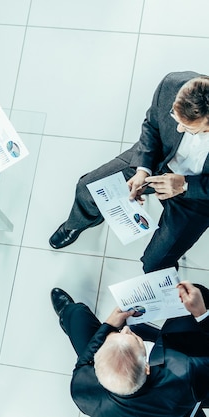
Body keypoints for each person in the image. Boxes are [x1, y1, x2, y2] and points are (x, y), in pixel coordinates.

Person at [49, 72, 209, 273]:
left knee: (155, 265)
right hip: (158, 161)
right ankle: (79, 222)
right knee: (88, 188)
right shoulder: (172, 85)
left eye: (187, 128)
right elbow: (152, 126)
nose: (178, 129)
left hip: (197, 194)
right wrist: (143, 169)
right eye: (175, 119)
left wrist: (184, 185)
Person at [51, 284, 209, 417]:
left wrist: (109, 326)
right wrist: (202, 314)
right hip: (178, 405)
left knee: (78, 316)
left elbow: (83, 362)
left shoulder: (83, 392)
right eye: (133, 338)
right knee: (200, 296)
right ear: (147, 367)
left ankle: (67, 315)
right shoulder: (185, 372)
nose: (125, 329)